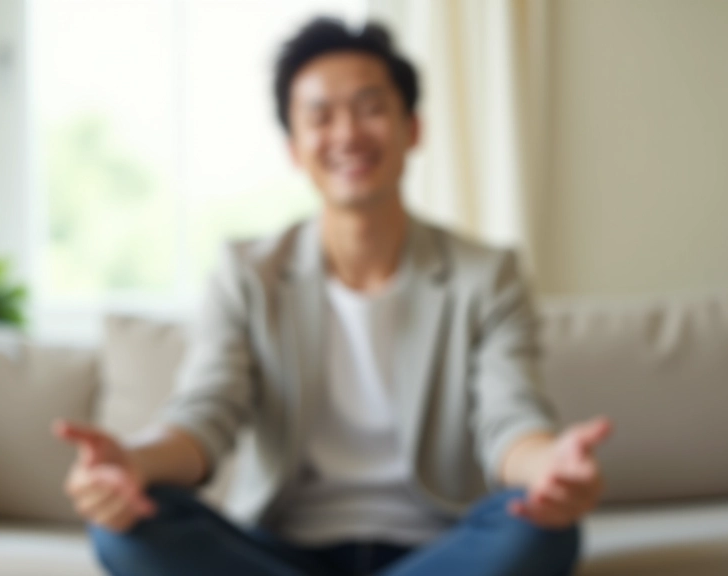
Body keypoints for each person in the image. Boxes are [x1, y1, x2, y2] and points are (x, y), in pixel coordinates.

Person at [53, 17, 611, 576]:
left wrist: (548, 467)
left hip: (435, 548)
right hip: (282, 550)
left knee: (540, 531)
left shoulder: (488, 275)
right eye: (320, 116)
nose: (347, 134)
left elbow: (510, 419)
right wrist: (133, 461)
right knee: (127, 527)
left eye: (370, 108)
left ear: (413, 128)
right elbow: (205, 414)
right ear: (295, 148)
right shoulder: (248, 273)